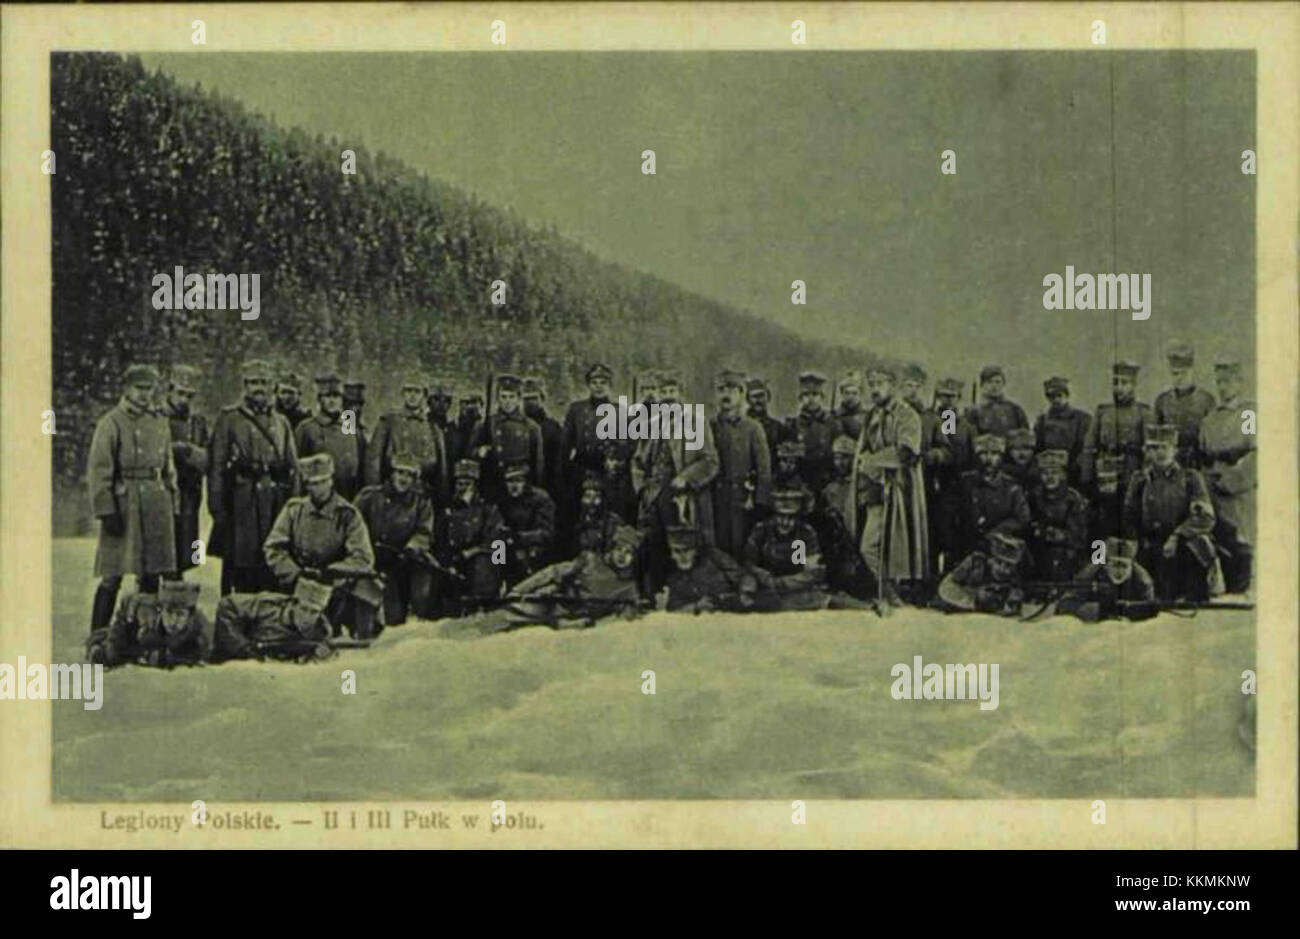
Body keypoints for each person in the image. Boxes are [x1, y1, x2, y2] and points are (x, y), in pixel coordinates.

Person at [87, 363, 179, 635]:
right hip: (124, 504)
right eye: (139, 388)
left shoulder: (159, 420)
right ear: (127, 389)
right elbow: (99, 469)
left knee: (153, 572)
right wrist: (106, 510)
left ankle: (143, 634)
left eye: (149, 388)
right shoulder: (112, 422)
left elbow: (168, 464)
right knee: (112, 574)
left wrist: (174, 503)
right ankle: (99, 635)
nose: (144, 394)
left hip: (155, 501)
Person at [263, 453, 383, 639]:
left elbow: (363, 557)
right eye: (313, 483)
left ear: (331, 481)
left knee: (368, 588)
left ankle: (359, 634)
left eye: (323, 481)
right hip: (298, 582)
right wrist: (294, 573)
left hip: (335, 584)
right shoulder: (294, 510)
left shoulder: (348, 514)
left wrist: (333, 572)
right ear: (306, 484)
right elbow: (273, 548)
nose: (318, 488)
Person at [209, 358, 298, 595]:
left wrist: (295, 504)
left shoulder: (282, 422)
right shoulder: (230, 419)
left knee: (271, 559)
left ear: (272, 387)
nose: (259, 388)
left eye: (265, 382)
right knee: (240, 562)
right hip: (242, 501)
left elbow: (293, 466)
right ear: (245, 386)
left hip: (274, 501)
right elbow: (216, 465)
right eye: (254, 382)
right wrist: (217, 505)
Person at [466, 525, 646, 635]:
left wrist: (594, 625)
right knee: (508, 616)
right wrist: (519, 591)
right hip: (553, 603)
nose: (623, 556)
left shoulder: (629, 588)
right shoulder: (590, 560)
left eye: (629, 553)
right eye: (620, 550)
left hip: (578, 623)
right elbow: (551, 572)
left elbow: (624, 622)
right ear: (612, 549)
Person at [632, 371, 719, 592]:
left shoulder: (696, 422)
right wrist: (642, 487)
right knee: (653, 544)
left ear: (680, 393)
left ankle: (687, 593)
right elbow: (638, 461)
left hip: (683, 497)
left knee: (684, 545)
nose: (668, 396)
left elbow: (710, 461)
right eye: (663, 392)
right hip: (654, 496)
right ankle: (655, 593)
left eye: (672, 391)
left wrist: (686, 478)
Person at [851, 365, 929, 595]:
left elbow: (907, 451)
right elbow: (861, 452)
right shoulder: (871, 416)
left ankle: (895, 593)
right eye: (872, 385)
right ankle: (886, 592)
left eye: (880, 384)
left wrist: (873, 461)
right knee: (869, 548)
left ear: (892, 386)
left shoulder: (907, 415)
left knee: (898, 545)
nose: (875, 389)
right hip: (875, 489)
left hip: (901, 490)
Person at [1122, 424, 1220, 602]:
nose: (1159, 452)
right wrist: (1135, 540)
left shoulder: (1190, 478)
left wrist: (1177, 535)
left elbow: (1205, 517)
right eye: (1153, 447)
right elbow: (1129, 516)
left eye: (1164, 447)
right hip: (1150, 547)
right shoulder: (1140, 479)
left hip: (1182, 547)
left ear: (1174, 450)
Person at [355, 450, 436, 625]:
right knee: (386, 610)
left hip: (403, 561)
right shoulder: (370, 497)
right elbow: (352, 526)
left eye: (410, 474)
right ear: (392, 473)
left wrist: (413, 547)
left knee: (420, 592)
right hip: (372, 560)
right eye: (400, 472)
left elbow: (424, 532)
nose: (404, 478)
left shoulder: (421, 502)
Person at [1199, 355, 1255, 592]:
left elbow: (1255, 453)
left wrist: (1233, 481)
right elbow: (1203, 451)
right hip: (1213, 485)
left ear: (1240, 383)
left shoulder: (1247, 415)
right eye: (1220, 382)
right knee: (1218, 540)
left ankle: (1241, 588)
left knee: (1240, 541)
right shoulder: (1211, 418)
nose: (1223, 387)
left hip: (1236, 488)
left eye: (1229, 382)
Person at [711, 368, 772, 557]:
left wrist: (761, 502)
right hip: (715, 499)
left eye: (732, 390)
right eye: (721, 390)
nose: (726, 395)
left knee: (744, 548)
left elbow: (764, 469)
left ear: (741, 394)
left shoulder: (753, 428)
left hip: (744, 501)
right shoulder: (709, 426)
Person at [436, 459, 507, 614]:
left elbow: (498, 544)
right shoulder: (447, 512)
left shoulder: (488, 509)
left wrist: (498, 569)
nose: (462, 488)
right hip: (454, 563)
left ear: (475, 486)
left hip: (483, 563)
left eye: (466, 484)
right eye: (459, 484)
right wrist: (448, 562)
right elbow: (440, 541)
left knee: (483, 565)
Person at [367, 373, 449, 506]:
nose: (412, 395)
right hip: (392, 494)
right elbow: (374, 461)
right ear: (403, 394)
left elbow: (442, 471)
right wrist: (374, 492)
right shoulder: (389, 422)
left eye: (417, 391)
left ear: (424, 395)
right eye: (408, 391)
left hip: (422, 496)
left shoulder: (433, 429)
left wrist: (442, 500)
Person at [87, 580, 211, 668]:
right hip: (120, 632)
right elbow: (117, 645)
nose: (173, 621)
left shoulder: (200, 627)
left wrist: (167, 658)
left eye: (180, 614)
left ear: (190, 615)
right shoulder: (143, 616)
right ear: (160, 610)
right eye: (168, 612)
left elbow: (203, 653)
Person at [212, 576, 336, 662]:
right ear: (294, 603)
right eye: (303, 609)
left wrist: (322, 655)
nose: (307, 617)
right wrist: (244, 648)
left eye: (314, 612)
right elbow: (227, 606)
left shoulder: (321, 631)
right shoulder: (269, 605)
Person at [743, 488, 829, 611]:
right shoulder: (761, 530)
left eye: (791, 518)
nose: (785, 523)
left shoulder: (806, 533)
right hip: (766, 587)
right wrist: (763, 575)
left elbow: (813, 572)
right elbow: (748, 563)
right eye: (780, 517)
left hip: (795, 587)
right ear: (773, 515)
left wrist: (782, 583)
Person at [1079, 360, 1153, 501]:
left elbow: (1150, 450)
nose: (1119, 388)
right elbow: (1089, 447)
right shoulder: (1103, 412)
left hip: (1132, 472)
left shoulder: (1144, 413)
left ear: (1133, 385)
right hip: (1106, 472)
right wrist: (1086, 479)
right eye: (1115, 383)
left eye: (1124, 383)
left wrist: (1145, 479)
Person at [162, 364, 209, 579]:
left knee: (184, 556)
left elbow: (210, 459)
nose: (184, 400)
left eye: (190, 396)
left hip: (189, 495)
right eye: (180, 393)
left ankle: (176, 604)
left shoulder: (198, 423)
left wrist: (189, 451)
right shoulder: (156, 417)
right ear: (170, 390)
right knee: (156, 559)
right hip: (161, 495)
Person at [469, 373, 544, 502]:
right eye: (503, 397)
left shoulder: (531, 427)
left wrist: (535, 487)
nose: (507, 401)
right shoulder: (485, 424)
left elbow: (537, 462)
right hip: (492, 485)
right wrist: (479, 452)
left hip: (519, 486)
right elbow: (470, 453)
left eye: (511, 397)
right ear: (498, 399)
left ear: (518, 399)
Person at [925, 378, 972, 573]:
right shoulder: (931, 420)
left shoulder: (967, 426)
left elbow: (969, 456)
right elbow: (945, 452)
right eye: (943, 396)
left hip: (959, 488)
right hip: (933, 486)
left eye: (952, 397)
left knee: (955, 535)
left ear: (959, 398)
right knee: (932, 534)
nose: (947, 401)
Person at [958, 434, 1031, 557]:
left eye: (994, 454)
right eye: (984, 454)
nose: (989, 459)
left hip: (1001, 549)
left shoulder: (1011, 486)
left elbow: (1023, 518)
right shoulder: (965, 482)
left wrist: (998, 531)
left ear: (1001, 457)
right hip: (968, 546)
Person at [295, 371, 364, 500]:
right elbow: (298, 468)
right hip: (319, 495)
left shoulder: (349, 425)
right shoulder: (308, 428)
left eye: (336, 396)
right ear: (320, 399)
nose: (332, 401)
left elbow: (359, 459)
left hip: (348, 494)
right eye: (327, 396)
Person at [1058, 537, 1157, 622]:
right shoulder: (1089, 575)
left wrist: (1130, 610)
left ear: (1132, 566)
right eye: (1115, 565)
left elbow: (1151, 610)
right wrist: (1102, 610)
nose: (1119, 571)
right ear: (1105, 565)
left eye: (1124, 566)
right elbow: (1065, 606)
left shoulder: (1142, 581)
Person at [664, 525, 760, 613]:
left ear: (695, 550)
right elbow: (673, 609)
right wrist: (696, 606)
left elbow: (744, 576)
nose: (682, 556)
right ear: (672, 554)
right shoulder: (674, 578)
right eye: (677, 551)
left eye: (686, 550)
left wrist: (746, 593)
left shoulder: (714, 558)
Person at [1027, 450, 1089, 581]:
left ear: (1063, 475)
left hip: (1067, 553)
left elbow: (1080, 537)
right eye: (1045, 473)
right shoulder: (1033, 497)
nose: (1050, 477)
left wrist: (1062, 536)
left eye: (1055, 472)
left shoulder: (1074, 499)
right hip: (1039, 550)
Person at [1154, 341, 1216, 469]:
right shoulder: (1162, 401)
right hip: (1168, 467)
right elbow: (1155, 441)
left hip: (1198, 465)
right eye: (1175, 373)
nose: (1180, 378)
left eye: (1184, 373)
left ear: (1192, 371)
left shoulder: (1206, 401)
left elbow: (1211, 443)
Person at [937, 532, 1027, 615]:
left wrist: (1008, 604)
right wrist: (975, 600)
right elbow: (945, 588)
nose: (1003, 568)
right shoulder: (975, 563)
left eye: (1009, 565)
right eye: (999, 562)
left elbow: (1014, 605)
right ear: (991, 559)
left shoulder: (1014, 578)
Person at [498, 462, 557, 585]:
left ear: (526, 482)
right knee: (497, 549)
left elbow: (547, 534)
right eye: (510, 482)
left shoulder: (541, 499)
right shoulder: (504, 499)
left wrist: (519, 537)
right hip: (510, 547)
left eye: (518, 481)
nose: (513, 486)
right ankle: (498, 583)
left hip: (534, 548)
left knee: (530, 557)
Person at [1033, 376, 1091, 486]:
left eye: (1059, 395)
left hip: (1073, 470)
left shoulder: (1081, 418)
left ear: (1066, 395)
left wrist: (1074, 465)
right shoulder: (1042, 421)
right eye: (1051, 396)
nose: (1056, 400)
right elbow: (1038, 446)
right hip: (1048, 470)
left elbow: (1085, 446)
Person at [786, 371, 837, 493]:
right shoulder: (793, 425)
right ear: (801, 398)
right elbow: (789, 457)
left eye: (815, 394)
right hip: (802, 482)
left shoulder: (832, 424)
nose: (811, 399)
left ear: (822, 397)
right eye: (806, 394)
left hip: (828, 482)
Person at [522, 376, 565, 503]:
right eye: (526, 399)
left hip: (548, 485)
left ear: (542, 399)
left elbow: (558, 462)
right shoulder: (517, 426)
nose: (530, 402)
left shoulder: (552, 427)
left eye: (534, 398)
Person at [964, 365, 1029, 441]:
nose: (994, 386)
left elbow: (1025, 436)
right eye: (989, 382)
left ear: (1003, 384)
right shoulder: (973, 412)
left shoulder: (1015, 410)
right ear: (982, 385)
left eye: (998, 382)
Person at [574, 472, 624, 556]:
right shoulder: (576, 521)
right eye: (588, 496)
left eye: (597, 497)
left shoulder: (613, 521)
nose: (592, 502)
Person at [745, 377, 789, 469]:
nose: (758, 401)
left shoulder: (778, 427)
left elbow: (786, 457)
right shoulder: (741, 426)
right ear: (748, 400)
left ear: (768, 397)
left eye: (761, 396)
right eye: (754, 396)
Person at [833, 370, 867, 440]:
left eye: (854, 393)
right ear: (842, 394)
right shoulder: (834, 415)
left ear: (860, 394)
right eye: (847, 393)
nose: (850, 397)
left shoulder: (867, 416)